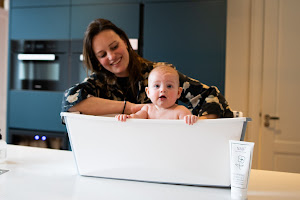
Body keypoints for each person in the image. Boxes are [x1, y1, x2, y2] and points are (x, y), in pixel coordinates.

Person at [61, 18, 233, 119]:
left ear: (125, 42)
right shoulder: (98, 81)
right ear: (97, 60)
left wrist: (197, 127)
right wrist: (128, 108)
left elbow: (211, 96)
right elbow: (70, 102)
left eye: (114, 47)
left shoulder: (158, 74)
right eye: (102, 54)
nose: (111, 56)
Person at [115, 64, 198, 125]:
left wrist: (191, 119)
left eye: (169, 86)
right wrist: (127, 118)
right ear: (148, 92)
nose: (162, 90)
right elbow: (135, 118)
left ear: (178, 93)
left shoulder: (180, 111)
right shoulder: (147, 109)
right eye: (157, 86)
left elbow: (189, 127)